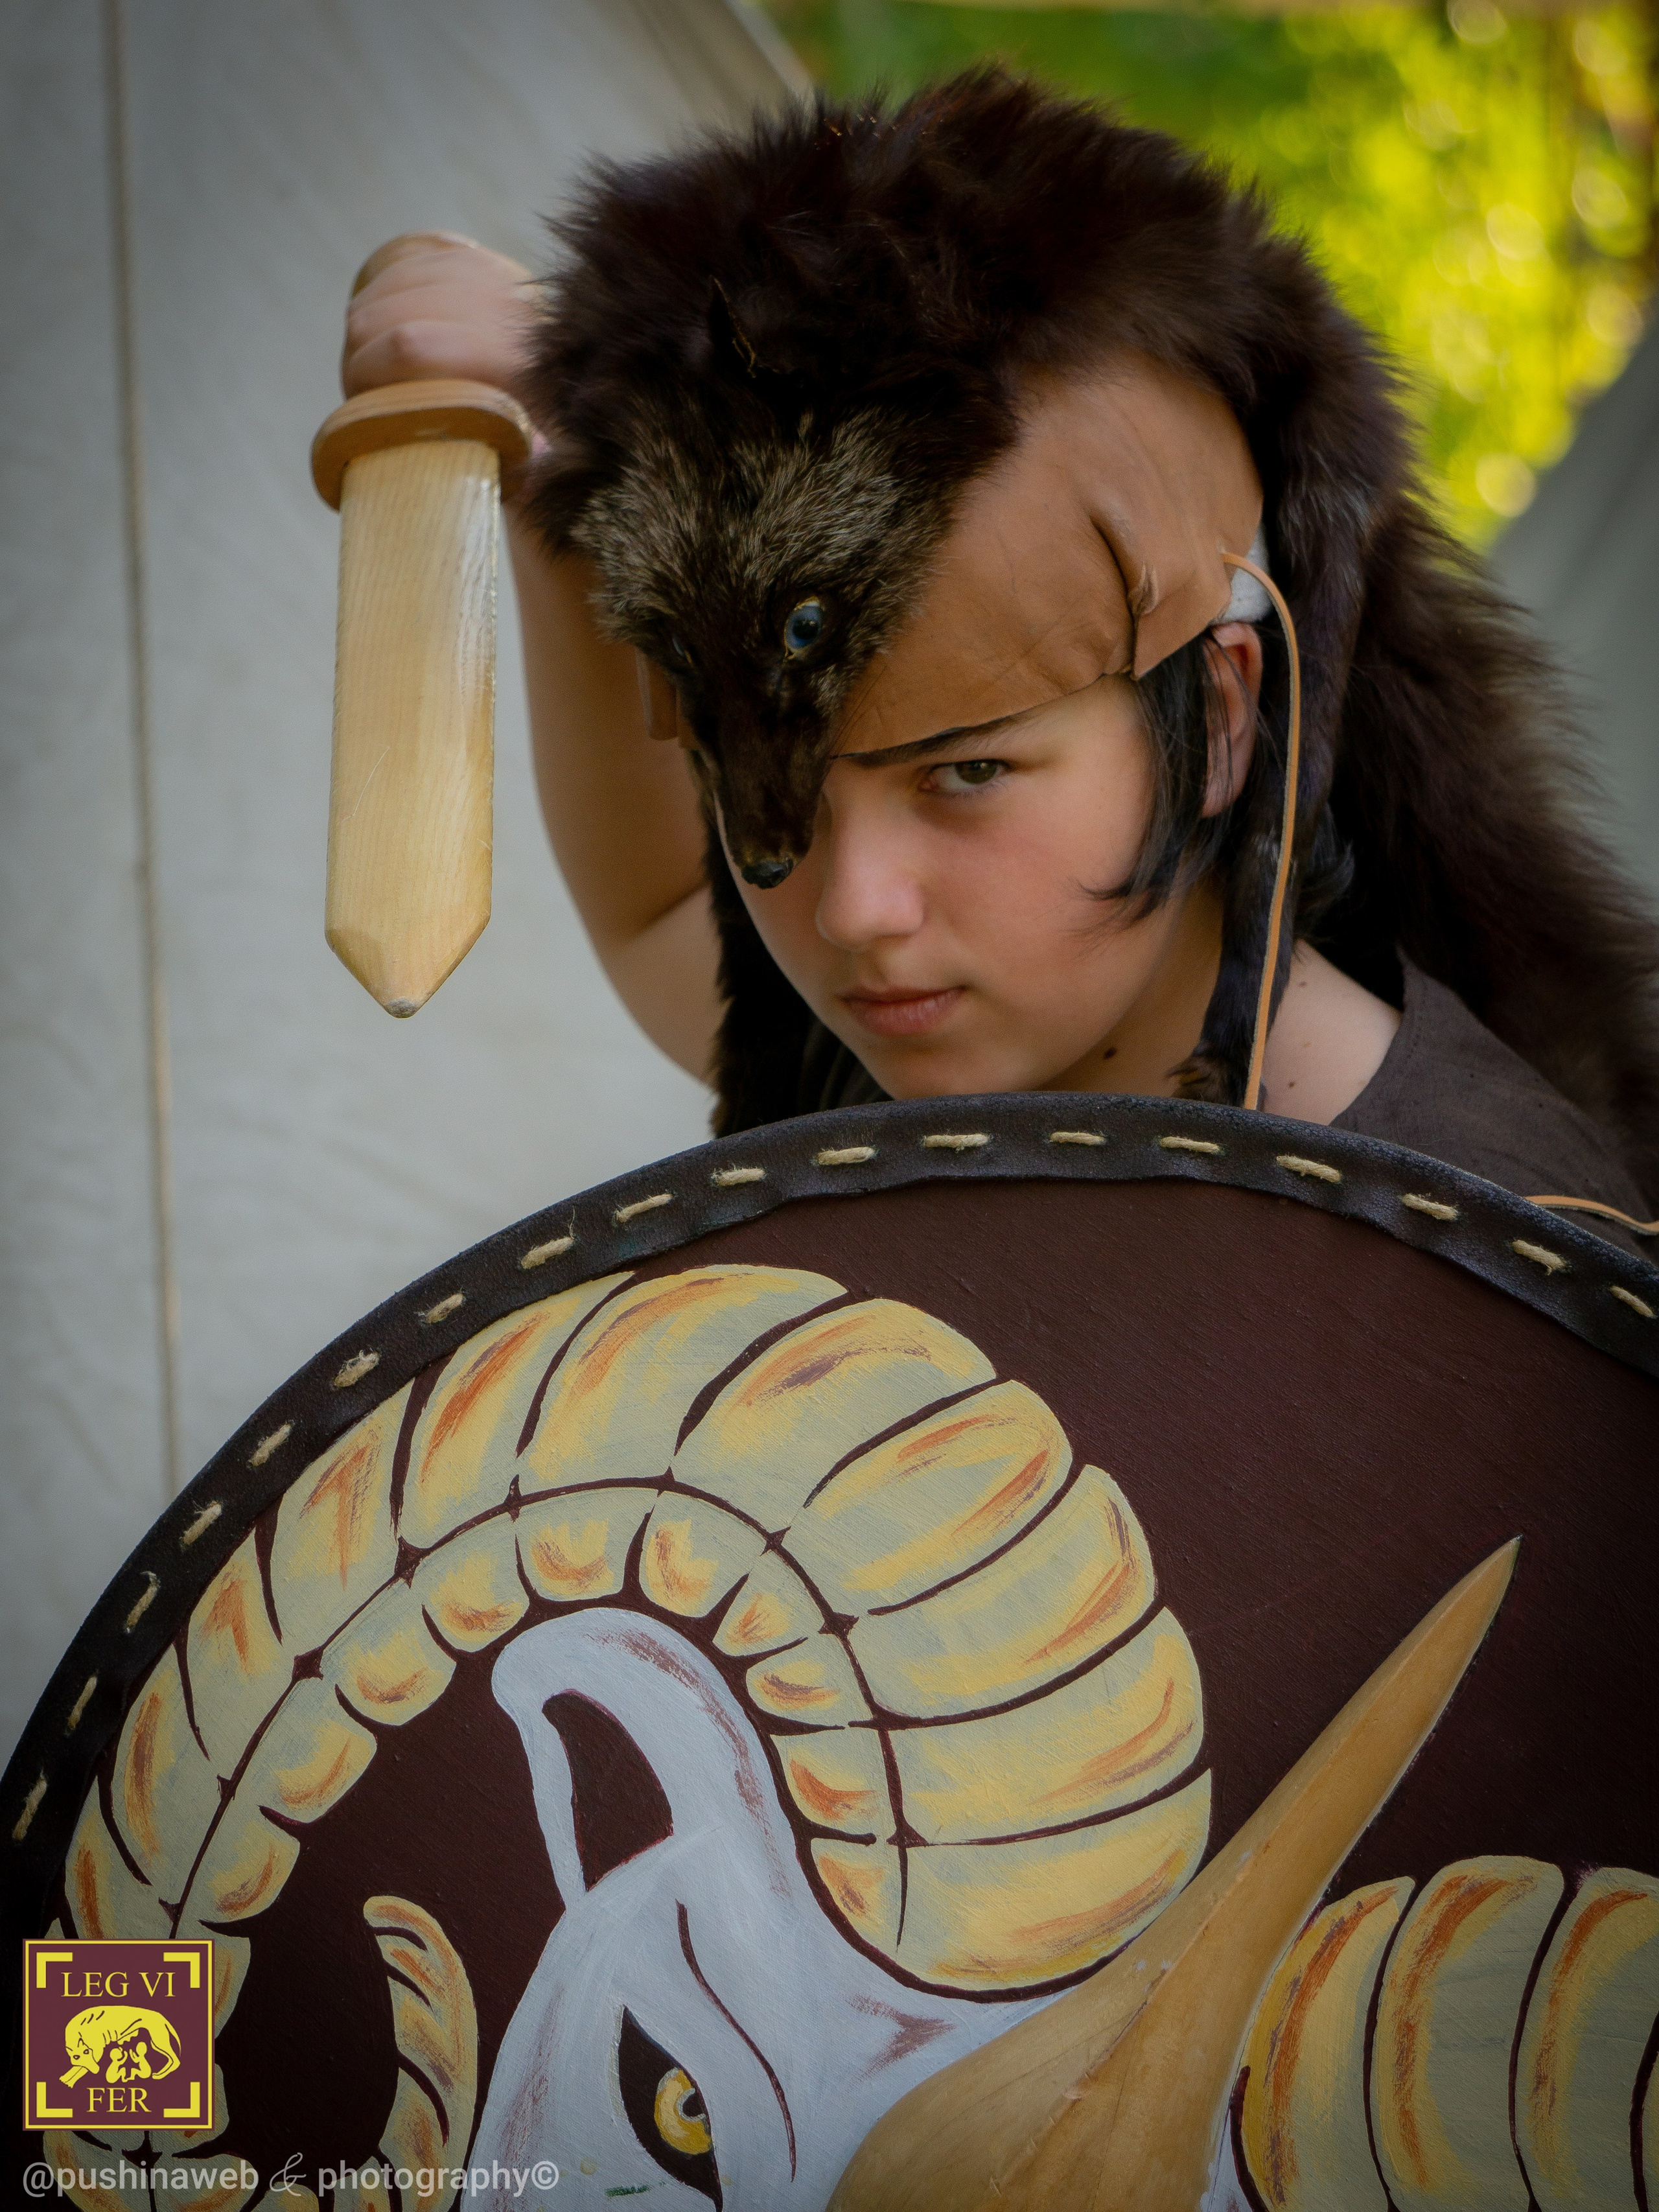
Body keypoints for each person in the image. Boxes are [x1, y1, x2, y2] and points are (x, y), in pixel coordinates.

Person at [339, 69, 1658, 1244]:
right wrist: (555, 457)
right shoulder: (902, 1055)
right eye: (771, 813)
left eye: (963, 773)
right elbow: (656, 906)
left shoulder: (1487, 1247)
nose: (854, 912)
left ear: (1223, 711)